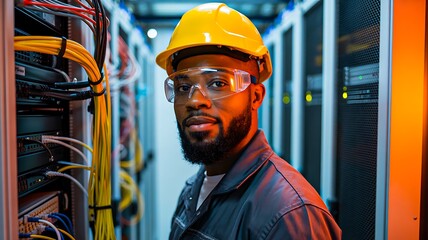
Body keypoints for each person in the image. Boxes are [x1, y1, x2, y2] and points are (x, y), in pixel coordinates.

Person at [156, 3, 341, 239]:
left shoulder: (289, 215)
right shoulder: (193, 191)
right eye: (183, 87)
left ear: (255, 97)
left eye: (217, 83)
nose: (194, 101)